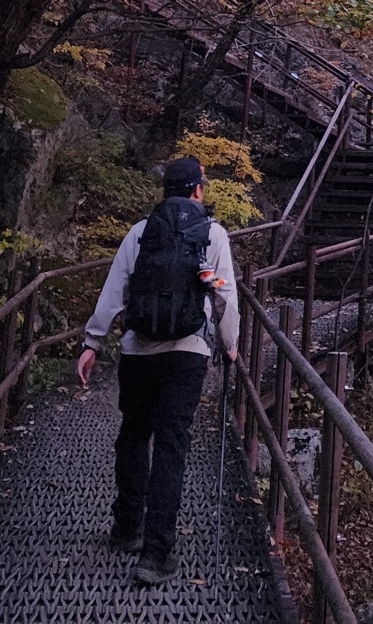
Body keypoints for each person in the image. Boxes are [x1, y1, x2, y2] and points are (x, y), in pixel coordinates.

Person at [76, 157, 240, 586]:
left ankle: (126, 528)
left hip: (138, 350)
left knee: (134, 434)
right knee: (171, 447)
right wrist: (231, 346)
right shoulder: (214, 234)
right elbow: (225, 297)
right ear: (197, 190)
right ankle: (156, 554)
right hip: (188, 352)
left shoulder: (140, 232)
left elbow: (115, 290)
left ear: (165, 190)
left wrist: (93, 341)